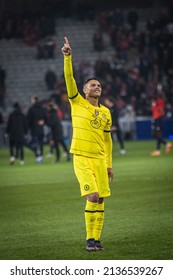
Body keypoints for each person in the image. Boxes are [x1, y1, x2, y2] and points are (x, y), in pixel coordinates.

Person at [61, 37, 114, 251]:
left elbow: (107, 139)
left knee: (100, 199)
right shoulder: (77, 102)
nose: (97, 87)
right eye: (93, 85)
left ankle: (97, 239)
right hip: (82, 157)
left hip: (100, 160)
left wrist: (109, 164)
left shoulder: (105, 112)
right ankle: (89, 240)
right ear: (85, 90)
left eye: (99, 85)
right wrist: (67, 57)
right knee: (92, 195)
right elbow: (69, 78)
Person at [27, 96, 47, 163]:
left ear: (34, 100)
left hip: (34, 130)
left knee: (33, 143)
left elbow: (28, 119)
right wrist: (43, 121)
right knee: (41, 143)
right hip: (41, 129)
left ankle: (38, 155)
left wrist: (28, 127)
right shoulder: (42, 108)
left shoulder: (31, 109)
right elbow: (45, 117)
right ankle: (40, 156)